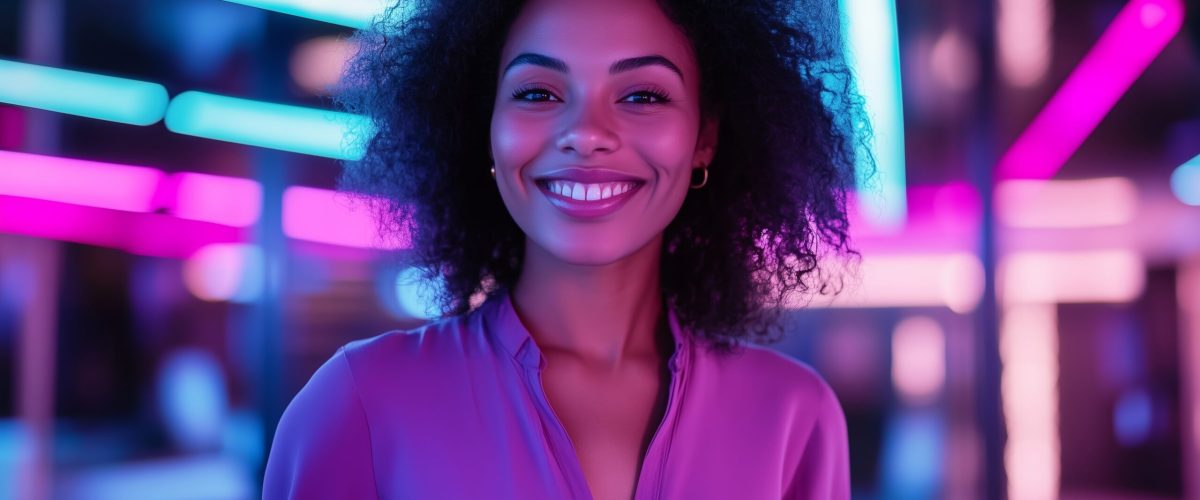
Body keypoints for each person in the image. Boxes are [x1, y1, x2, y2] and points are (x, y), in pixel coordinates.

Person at [263, 0, 868, 498]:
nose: (586, 133)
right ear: (487, 128)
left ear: (704, 137)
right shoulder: (360, 405)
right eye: (537, 93)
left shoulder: (794, 417)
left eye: (643, 96)